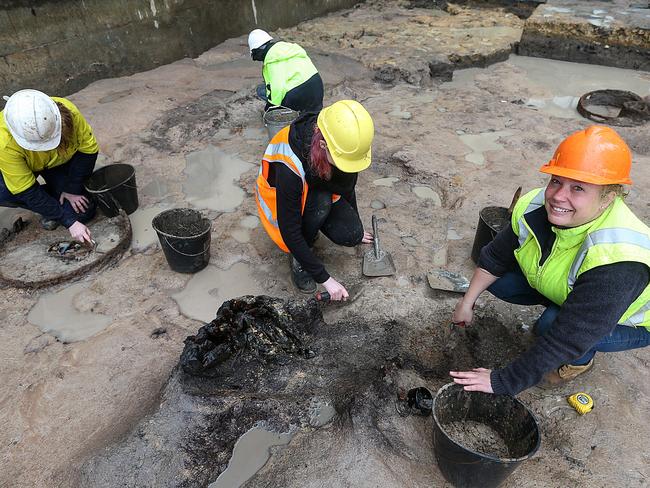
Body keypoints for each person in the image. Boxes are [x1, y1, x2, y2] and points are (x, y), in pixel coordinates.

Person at [450, 126, 650, 396]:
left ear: (608, 198)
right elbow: (495, 257)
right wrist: (467, 302)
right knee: (500, 281)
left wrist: (504, 380)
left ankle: (579, 363)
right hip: (579, 293)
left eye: (578, 188)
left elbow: (571, 335)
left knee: (552, 325)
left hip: (634, 321)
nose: (558, 196)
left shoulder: (617, 260)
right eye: (556, 181)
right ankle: (561, 309)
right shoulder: (535, 206)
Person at [255, 99, 374, 299]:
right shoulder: (290, 165)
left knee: (351, 234)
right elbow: (289, 231)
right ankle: (300, 258)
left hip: (314, 190)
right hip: (283, 205)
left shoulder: (342, 141)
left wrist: (357, 224)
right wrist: (325, 279)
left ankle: (316, 221)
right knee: (320, 204)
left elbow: (347, 186)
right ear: (322, 145)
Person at [0, 89, 98, 244]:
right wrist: (69, 222)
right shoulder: (4, 142)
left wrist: (72, 189)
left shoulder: (68, 111)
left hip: (57, 163)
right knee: (3, 192)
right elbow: (26, 190)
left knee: (83, 212)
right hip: (21, 166)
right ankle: (50, 204)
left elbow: (89, 151)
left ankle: (53, 201)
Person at [248, 29, 324, 113]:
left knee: (261, 91)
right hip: (317, 90)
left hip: (297, 96)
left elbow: (278, 88)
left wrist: (270, 108)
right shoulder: (287, 48)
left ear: (257, 51)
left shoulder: (272, 60)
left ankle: (292, 113)